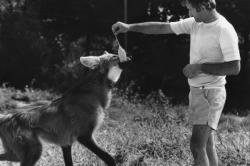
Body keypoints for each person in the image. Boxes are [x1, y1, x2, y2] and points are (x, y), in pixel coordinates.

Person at [112, 0, 241, 165]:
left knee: (196, 145)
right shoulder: (196, 23)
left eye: (191, 10)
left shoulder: (224, 29)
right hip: (197, 91)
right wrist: (129, 27)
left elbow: (234, 67)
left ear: (203, 7)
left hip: (211, 92)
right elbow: (162, 27)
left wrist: (200, 67)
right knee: (207, 144)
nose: (189, 14)